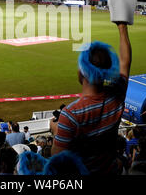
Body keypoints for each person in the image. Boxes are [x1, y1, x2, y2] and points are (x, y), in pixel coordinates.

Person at [52, 21, 132, 175]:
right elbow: (125, 63)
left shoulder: (71, 114)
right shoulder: (117, 95)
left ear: (83, 72)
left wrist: (56, 131)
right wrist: (122, 27)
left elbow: (57, 159)